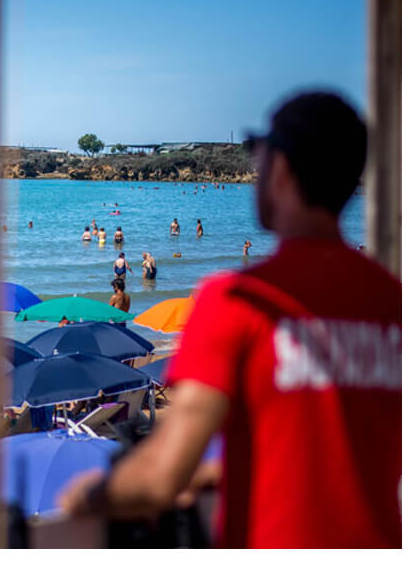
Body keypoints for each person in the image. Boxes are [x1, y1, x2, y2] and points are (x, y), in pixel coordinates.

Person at [62, 90, 400, 549]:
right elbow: (338, 447)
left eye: (260, 157)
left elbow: (160, 477)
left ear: (280, 169)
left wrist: (88, 496)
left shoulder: (239, 299)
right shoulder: (392, 302)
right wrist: (221, 472)